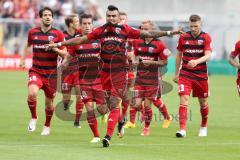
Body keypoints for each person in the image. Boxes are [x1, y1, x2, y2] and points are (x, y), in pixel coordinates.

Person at [47, 5, 182, 147]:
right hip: (103, 73)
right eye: (109, 16)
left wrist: (169, 32)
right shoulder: (101, 30)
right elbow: (80, 40)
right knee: (104, 108)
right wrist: (60, 43)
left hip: (119, 73)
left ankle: (107, 136)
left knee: (114, 102)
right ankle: (120, 121)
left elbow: (147, 34)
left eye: (114, 16)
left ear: (118, 17)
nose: (111, 18)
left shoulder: (125, 30)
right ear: (106, 17)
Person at [19, 7, 66, 135]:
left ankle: (47, 125)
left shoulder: (58, 34)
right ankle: (34, 117)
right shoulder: (33, 32)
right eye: (45, 15)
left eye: (50, 15)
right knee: (32, 93)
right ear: (40, 17)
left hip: (51, 75)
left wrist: (55, 48)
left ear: (52, 17)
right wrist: (23, 59)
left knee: (49, 103)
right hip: (36, 71)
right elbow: (28, 45)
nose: (47, 17)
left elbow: (64, 54)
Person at [62, 13, 108, 143]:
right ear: (80, 25)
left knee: (102, 109)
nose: (87, 26)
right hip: (83, 81)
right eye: (84, 24)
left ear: (92, 25)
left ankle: (108, 112)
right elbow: (68, 58)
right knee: (88, 108)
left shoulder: (99, 40)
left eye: (89, 23)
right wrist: (61, 67)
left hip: (99, 80)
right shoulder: (76, 41)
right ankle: (96, 136)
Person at [173, 14, 212, 138]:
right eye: (191, 26)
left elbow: (208, 55)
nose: (193, 28)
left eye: (196, 26)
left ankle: (203, 126)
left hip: (201, 74)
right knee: (184, 98)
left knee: (203, 102)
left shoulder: (206, 37)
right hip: (186, 73)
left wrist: (196, 61)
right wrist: (176, 73)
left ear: (200, 24)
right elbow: (179, 55)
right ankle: (182, 129)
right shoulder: (183, 37)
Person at [131, 20, 172, 136]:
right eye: (142, 29)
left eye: (146, 29)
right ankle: (145, 115)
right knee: (136, 104)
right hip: (139, 79)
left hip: (152, 80)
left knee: (148, 104)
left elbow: (164, 62)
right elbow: (134, 53)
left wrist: (151, 62)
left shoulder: (159, 44)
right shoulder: (138, 41)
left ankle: (146, 128)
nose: (144, 31)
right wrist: (134, 61)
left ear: (152, 29)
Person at [61, 14, 84, 128]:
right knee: (66, 97)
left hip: (79, 70)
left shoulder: (81, 34)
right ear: (70, 24)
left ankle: (77, 121)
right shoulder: (63, 36)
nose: (78, 23)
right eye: (76, 21)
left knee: (80, 95)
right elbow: (63, 53)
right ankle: (65, 105)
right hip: (66, 70)